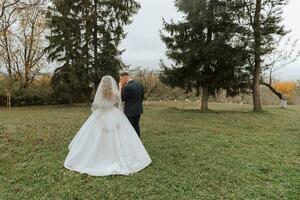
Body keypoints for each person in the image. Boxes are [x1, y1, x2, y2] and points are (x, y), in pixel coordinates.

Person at [64, 75, 151, 176]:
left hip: (100, 115)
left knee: (98, 137)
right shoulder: (115, 94)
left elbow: (95, 106)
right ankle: (115, 156)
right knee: (116, 136)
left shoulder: (100, 94)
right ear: (112, 84)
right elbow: (119, 103)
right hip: (113, 114)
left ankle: (99, 156)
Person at [119, 72, 144, 137]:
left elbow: (122, 99)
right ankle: (138, 140)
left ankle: (132, 142)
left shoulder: (127, 87)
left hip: (130, 112)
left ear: (125, 78)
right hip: (138, 110)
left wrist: (121, 88)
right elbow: (142, 97)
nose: (120, 81)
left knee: (130, 127)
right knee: (136, 125)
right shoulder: (139, 84)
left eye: (121, 79)